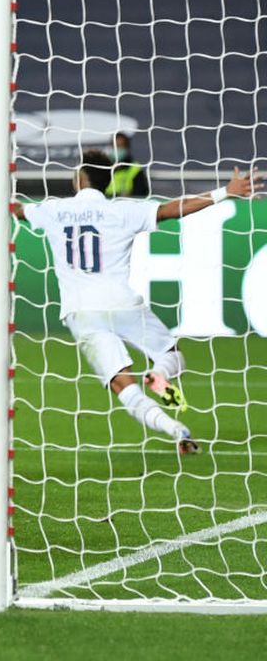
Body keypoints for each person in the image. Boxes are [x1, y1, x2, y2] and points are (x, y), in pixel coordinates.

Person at [17, 150, 259, 452]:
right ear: (108, 182)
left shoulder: (53, 210)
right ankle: (158, 374)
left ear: (79, 179)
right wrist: (227, 191)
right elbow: (173, 209)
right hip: (123, 304)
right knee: (174, 356)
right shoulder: (123, 210)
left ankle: (176, 429)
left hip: (81, 312)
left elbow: (15, 209)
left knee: (123, 386)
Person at [107, 132, 150, 197]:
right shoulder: (102, 167)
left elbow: (141, 194)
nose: (117, 150)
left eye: (120, 146)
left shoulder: (135, 168)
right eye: (115, 146)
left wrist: (128, 195)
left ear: (127, 148)